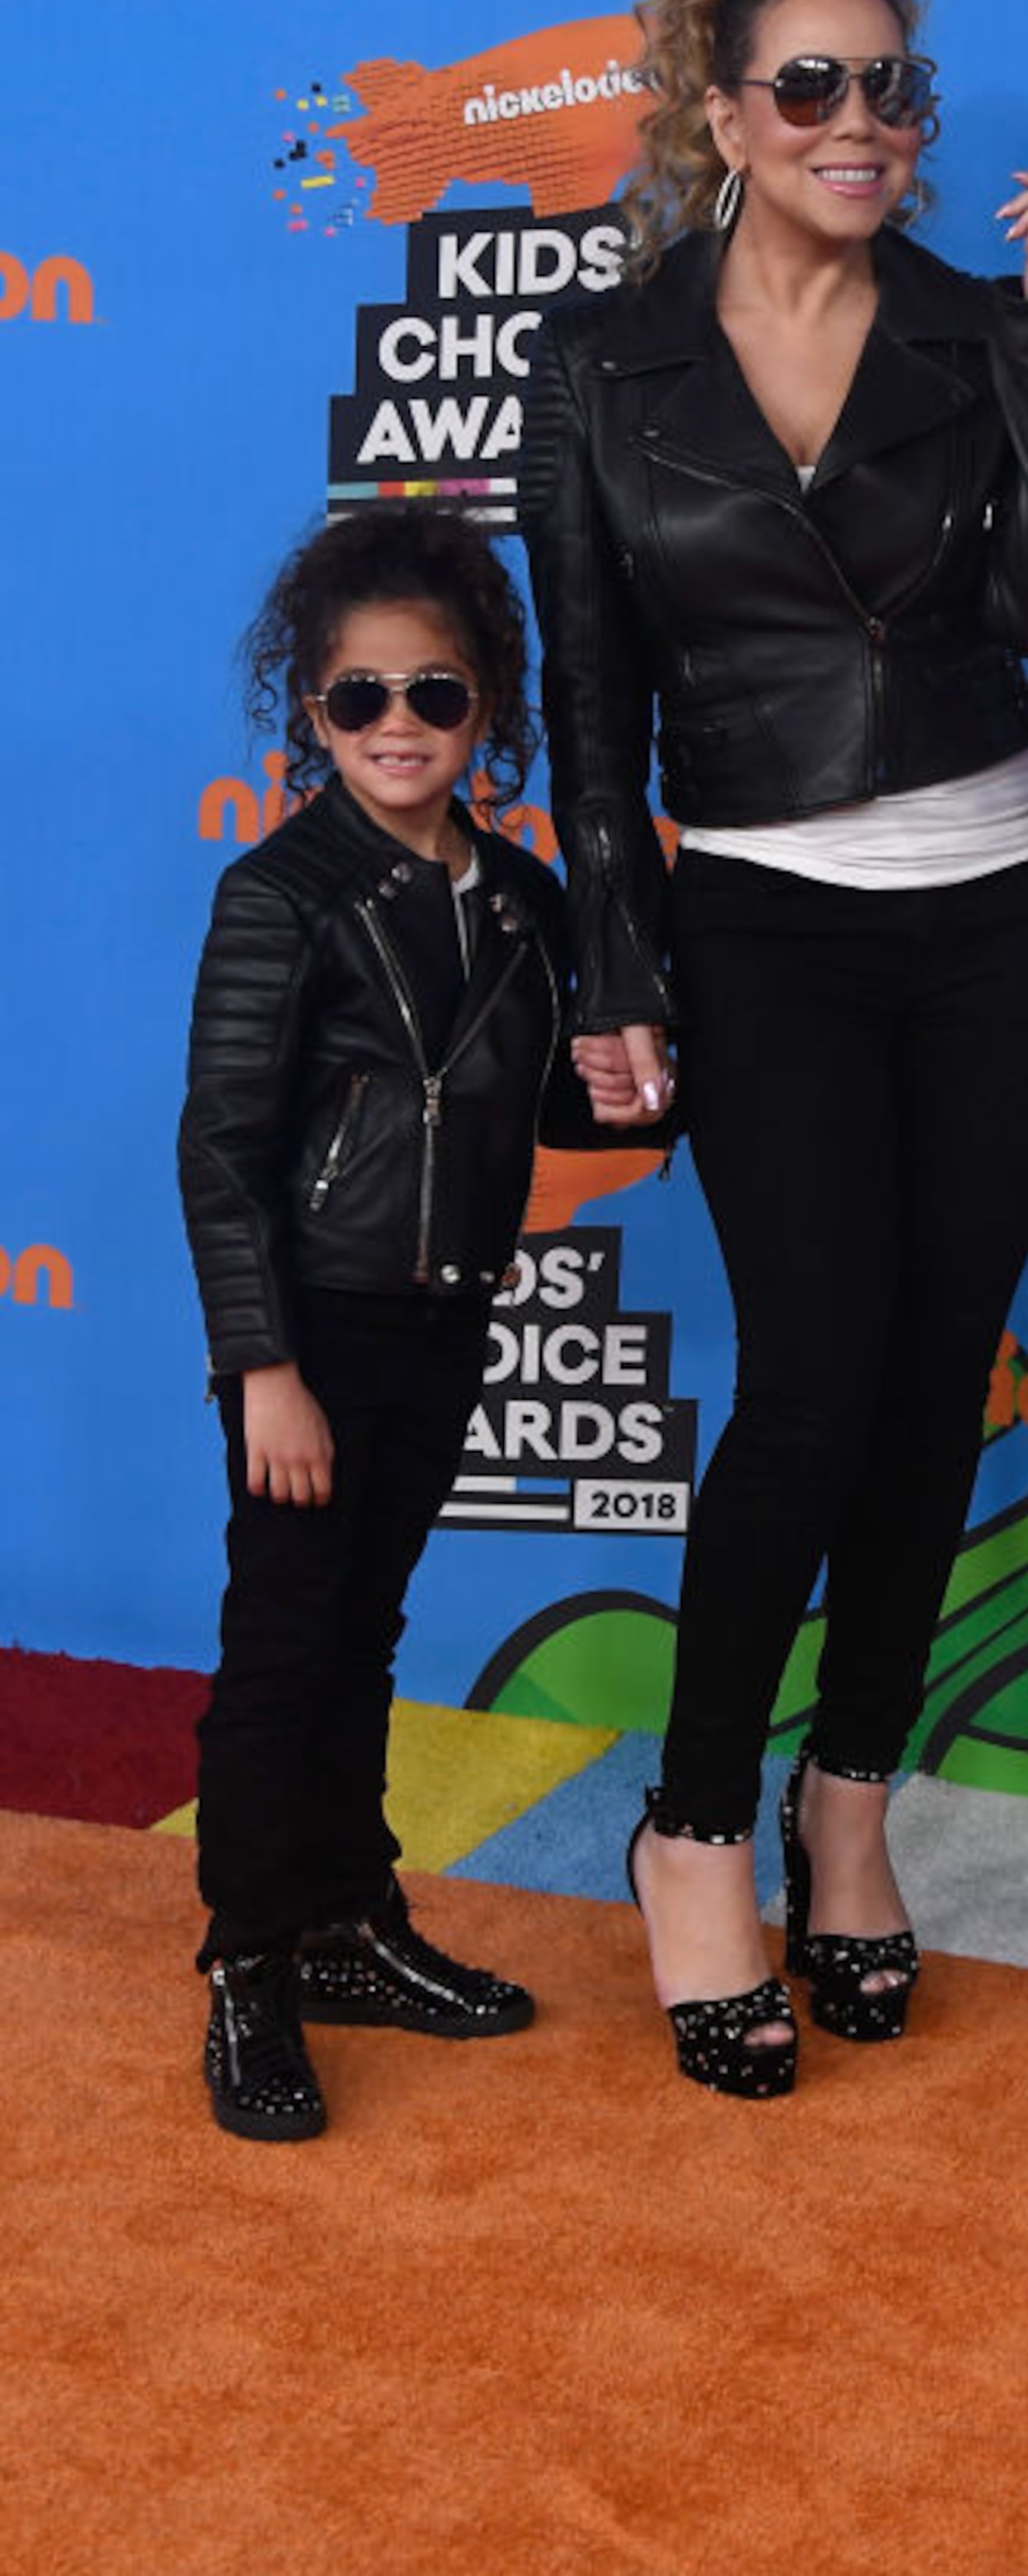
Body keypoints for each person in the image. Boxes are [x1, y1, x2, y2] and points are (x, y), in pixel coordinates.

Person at [520, 0, 1028, 2099]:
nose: (861, 122)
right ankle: (696, 1829)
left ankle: (848, 1805)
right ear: (723, 110)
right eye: (812, 86)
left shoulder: (976, 326)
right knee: (811, 1382)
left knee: (935, 1377)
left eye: (891, 87)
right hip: (763, 921)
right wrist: (613, 960)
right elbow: (590, 701)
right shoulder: (602, 365)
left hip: (1006, 912)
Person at [179, 507, 592, 2141]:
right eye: (360, 698)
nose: (398, 725)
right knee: (283, 1649)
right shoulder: (282, 891)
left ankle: (350, 1920)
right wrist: (261, 1366)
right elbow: (224, 1148)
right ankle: (248, 1963)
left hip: (445, 1317)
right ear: (314, 710)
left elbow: (550, 1105)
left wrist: (649, 1077)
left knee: (366, 1637)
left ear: (488, 704)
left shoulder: (525, 902)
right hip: (312, 1331)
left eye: (435, 692)